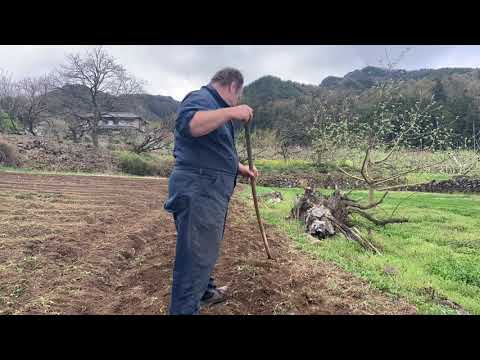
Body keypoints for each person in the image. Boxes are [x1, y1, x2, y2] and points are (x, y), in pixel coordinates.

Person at [164, 67, 258, 315]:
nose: (237, 102)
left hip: (206, 189)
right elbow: (192, 125)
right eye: (238, 97)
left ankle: (205, 292)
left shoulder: (214, 110)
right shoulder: (201, 99)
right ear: (233, 87)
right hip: (200, 190)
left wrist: (239, 168)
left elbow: (213, 150)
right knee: (194, 258)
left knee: (201, 249)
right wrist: (232, 111)